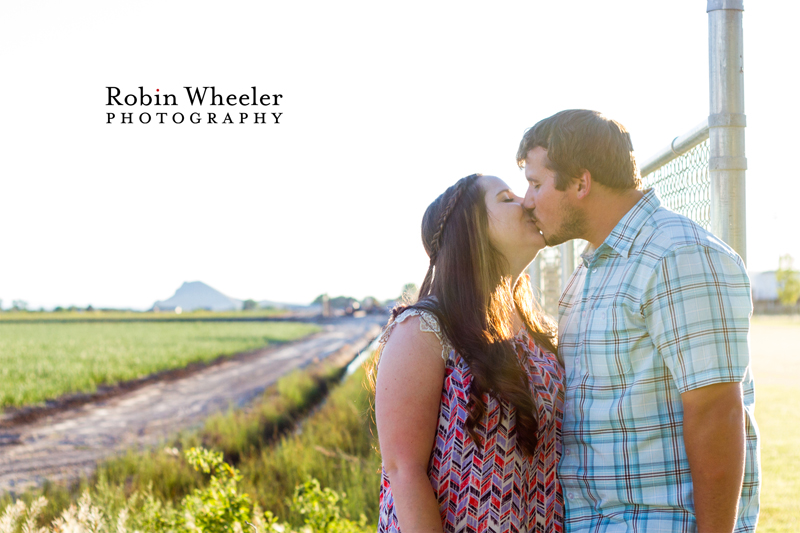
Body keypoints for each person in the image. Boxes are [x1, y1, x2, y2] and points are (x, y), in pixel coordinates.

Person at [517, 109, 760, 533]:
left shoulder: (677, 254)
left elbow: (717, 412)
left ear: (580, 182)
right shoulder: (591, 271)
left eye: (536, 184)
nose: (527, 200)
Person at [373, 173, 565, 532]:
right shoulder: (423, 329)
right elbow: (403, 470)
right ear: (470, 228)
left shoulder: (539, 329)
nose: (525, 202)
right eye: (506, 198)